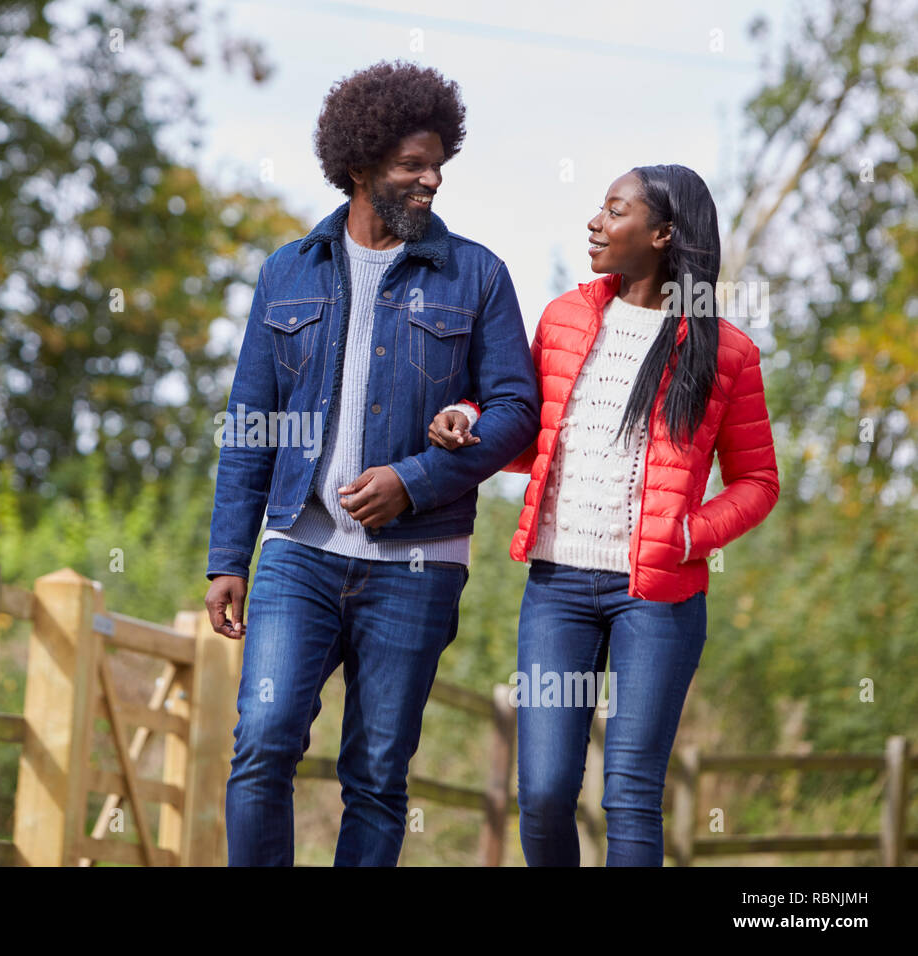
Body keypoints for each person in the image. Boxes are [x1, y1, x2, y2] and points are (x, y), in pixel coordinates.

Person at [203, 60, 540, 866]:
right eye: (411, 166)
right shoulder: (288, 270)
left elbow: (517, 412)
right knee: (262, 745)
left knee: (379, 775)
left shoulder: (478, 275)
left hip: (418, 566)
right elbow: (251, 422)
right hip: (298, 553)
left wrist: (413, 480)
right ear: (358, 166)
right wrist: (227, 557)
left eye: (438, 166)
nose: (431, 181)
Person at [428, 164, 779, 866]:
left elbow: (758, 481)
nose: (595, 221)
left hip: (658, 598)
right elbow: (526, 429)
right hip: (557, 589)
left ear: (662, 233)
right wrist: (468, 417)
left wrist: (690, 534)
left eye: (615, 211)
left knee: (629, 795)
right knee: (548, 791)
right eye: (599, 208)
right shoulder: (565, 318)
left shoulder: (726, 352)